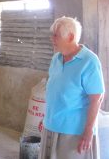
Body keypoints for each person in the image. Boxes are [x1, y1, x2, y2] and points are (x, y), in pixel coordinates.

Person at [39, 16, 105, 159]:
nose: (52, 39)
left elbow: (97, 99)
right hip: (51, 126)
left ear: (70, 37)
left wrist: (88, 132)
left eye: (56, 36)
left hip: (74, 132)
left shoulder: (89, 61)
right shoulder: (56, 59)